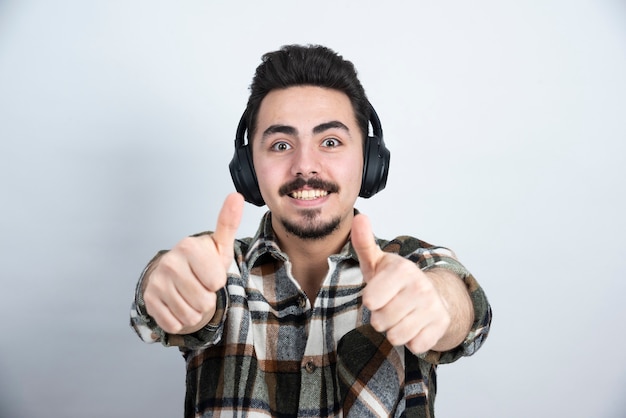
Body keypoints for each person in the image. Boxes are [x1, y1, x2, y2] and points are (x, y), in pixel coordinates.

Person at [130, 44, 492, 417]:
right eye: (281, 144)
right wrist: (169, 289)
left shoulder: (409, 266)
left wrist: (438, 304)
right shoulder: (214, 270)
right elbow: (162, 290)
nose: (305, 165)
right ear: (249, 169)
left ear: (369, 162)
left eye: (330, 142)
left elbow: (464, 306)